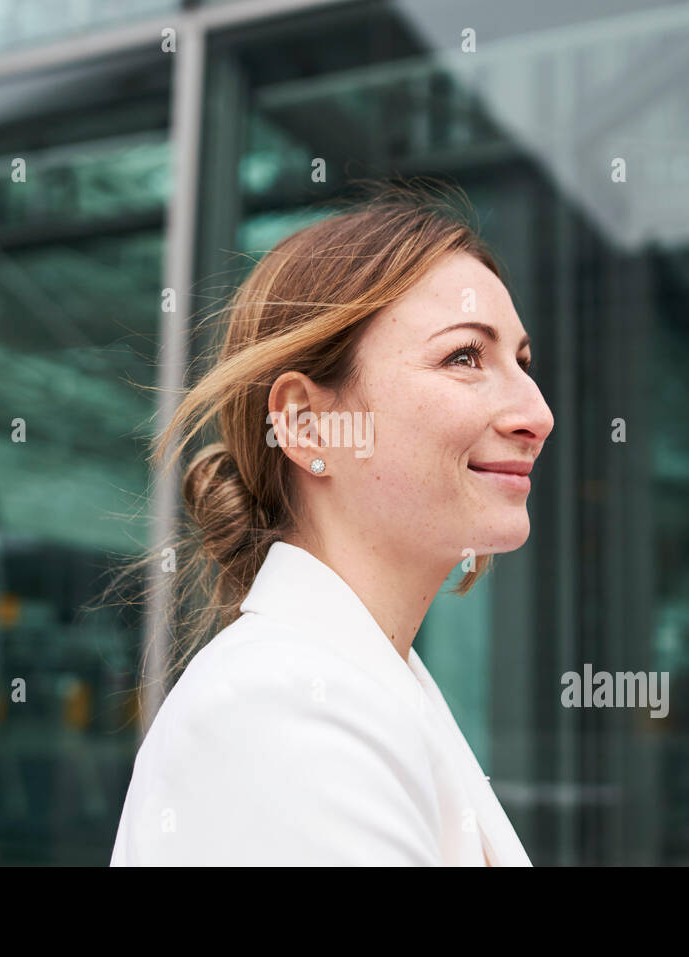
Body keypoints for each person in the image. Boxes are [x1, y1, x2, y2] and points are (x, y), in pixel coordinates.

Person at [109, 180, 553, 865]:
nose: (537, 413)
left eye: (521, 362)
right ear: (307, 424)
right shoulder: (278, 709)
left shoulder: (358, 683)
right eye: (465, 356)